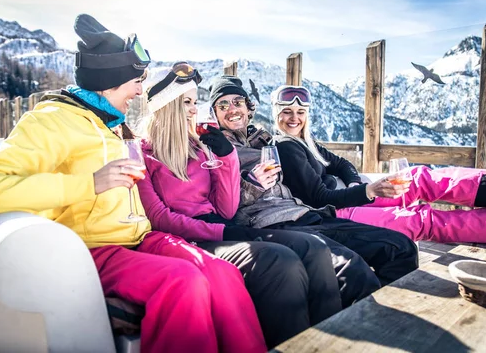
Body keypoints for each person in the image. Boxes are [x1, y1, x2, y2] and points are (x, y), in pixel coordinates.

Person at [0, 14, 266, 353]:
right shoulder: (53, 120)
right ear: (109, 79)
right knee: (183, 282)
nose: (139, 89)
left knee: (223, 274)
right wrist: (88, 183)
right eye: (136, 80)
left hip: (142, 238)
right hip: (96, 248)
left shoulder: (110, 125)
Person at [136, 64, 342, 349]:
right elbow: (159, 217)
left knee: (314, 248)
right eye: (186, 102)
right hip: (190, 238)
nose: (195, 109)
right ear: (166, 105)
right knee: (279, 261)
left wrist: (227, 157)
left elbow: (227, 208)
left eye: (195, 102)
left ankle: (326, 342)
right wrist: (221, 231)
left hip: (222, 226)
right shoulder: (142, 154)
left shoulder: (199, 148)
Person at [208, 75, 419, 305]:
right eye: (223, 105)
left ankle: (389, 318)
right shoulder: (215, 149)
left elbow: (333, 166)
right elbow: (223, 203)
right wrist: (252, 182)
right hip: (273, 224)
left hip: (306, 215)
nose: (232, 109)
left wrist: (347, 182)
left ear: (249, 109)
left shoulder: (265, 141)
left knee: (401, 247)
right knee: (354, 272)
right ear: (214, 112)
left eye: (237, 102)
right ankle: (366, 326)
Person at [269, 84, 486, 247]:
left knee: (416, 178)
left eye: (300, 112)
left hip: (351, 197)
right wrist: (367, 191)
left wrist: (356, 183)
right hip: (336, 213)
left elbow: (341, 164)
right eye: (287, 112)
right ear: (276, 114)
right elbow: (318, 199)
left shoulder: (305, 141)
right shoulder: (285, 147)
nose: (295, 118)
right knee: (421, 220)